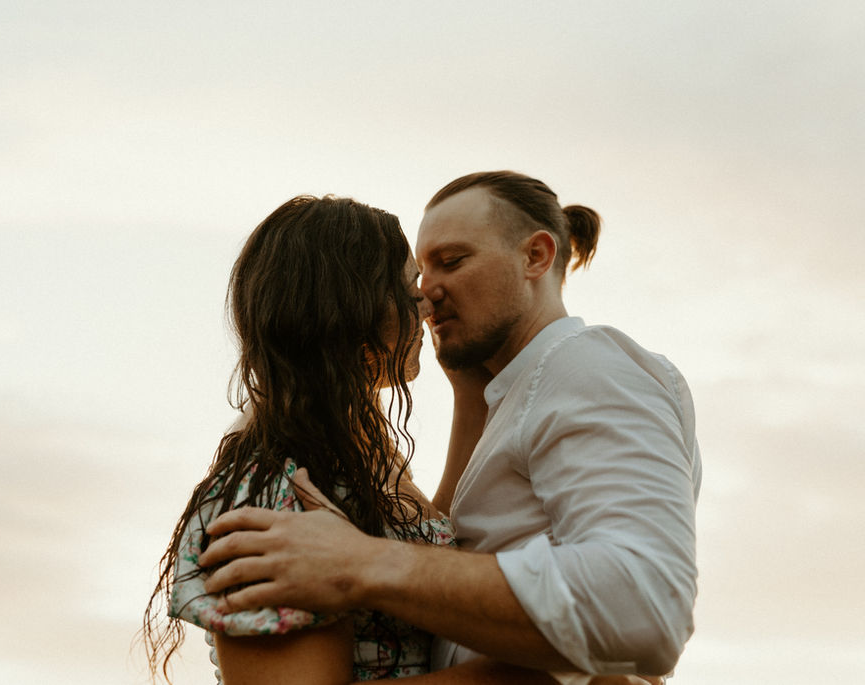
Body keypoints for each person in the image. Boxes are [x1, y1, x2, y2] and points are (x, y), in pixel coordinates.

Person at [197, 171, 701, 683]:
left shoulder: (584, 369)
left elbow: (641, 607)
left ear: (536, 257)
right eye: (411, 284)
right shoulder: (284, 477)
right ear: (342, 307)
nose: (426, 299)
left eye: (452, 262)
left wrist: (363, 563)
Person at [143, 194, 569, 684]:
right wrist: (542, 674)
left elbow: (447, 540)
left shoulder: (360, 454)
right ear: (354, 306)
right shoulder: (272, 493)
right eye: (411, 286)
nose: (427, 303)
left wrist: (470, 394)